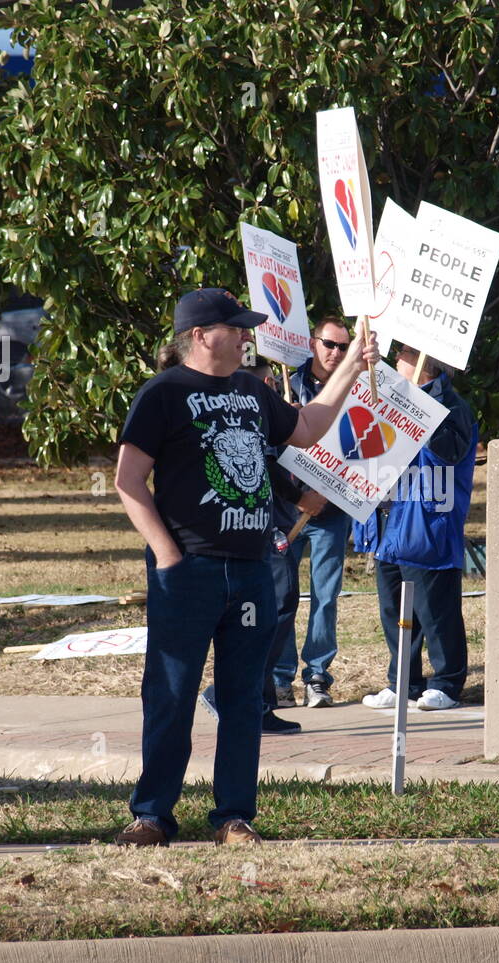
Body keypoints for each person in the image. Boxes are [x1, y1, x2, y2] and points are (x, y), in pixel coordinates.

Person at [114, 289, 375, 847]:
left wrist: (351, 366)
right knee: (172, 693)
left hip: (252, 568)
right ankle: (153, 814)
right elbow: (128, 481)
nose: (245, 336)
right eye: (234, 328)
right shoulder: (162, 394)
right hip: (189, 570)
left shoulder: (252, 391)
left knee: (242, 700)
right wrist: (167, 556)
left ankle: (234, 816)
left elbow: (307, 427)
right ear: (201, 335)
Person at [198, 357, 327, 736]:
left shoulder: (258, 409)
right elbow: (267, 467)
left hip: (267, 525)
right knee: (273, 611)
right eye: (266, 384)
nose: (270, 389)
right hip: (261, 527)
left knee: (276, 610)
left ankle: (259, 702)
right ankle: (229, 693)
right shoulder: (249, 412)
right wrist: (301, 498)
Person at [356, 345, 477, 711]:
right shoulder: (392, 397)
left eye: (405, 355)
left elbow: (449, 451)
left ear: (425, 363)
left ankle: (447, 683)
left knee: (434, 609)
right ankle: (402, 681)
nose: (397, 361)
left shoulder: (452, 406)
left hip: (427, 520)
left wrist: (417, 411)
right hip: (389, 519)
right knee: (394, 608)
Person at [275, 317, 354, 708]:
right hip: (288, 508)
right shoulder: (284, 382)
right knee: (282, 595)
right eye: (329, 344)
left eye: (343, 347)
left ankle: (318, 675)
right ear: (312, 342)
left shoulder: (355, 389)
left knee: (326, 595)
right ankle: (279, 677)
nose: (335, 353)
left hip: (331, 510)